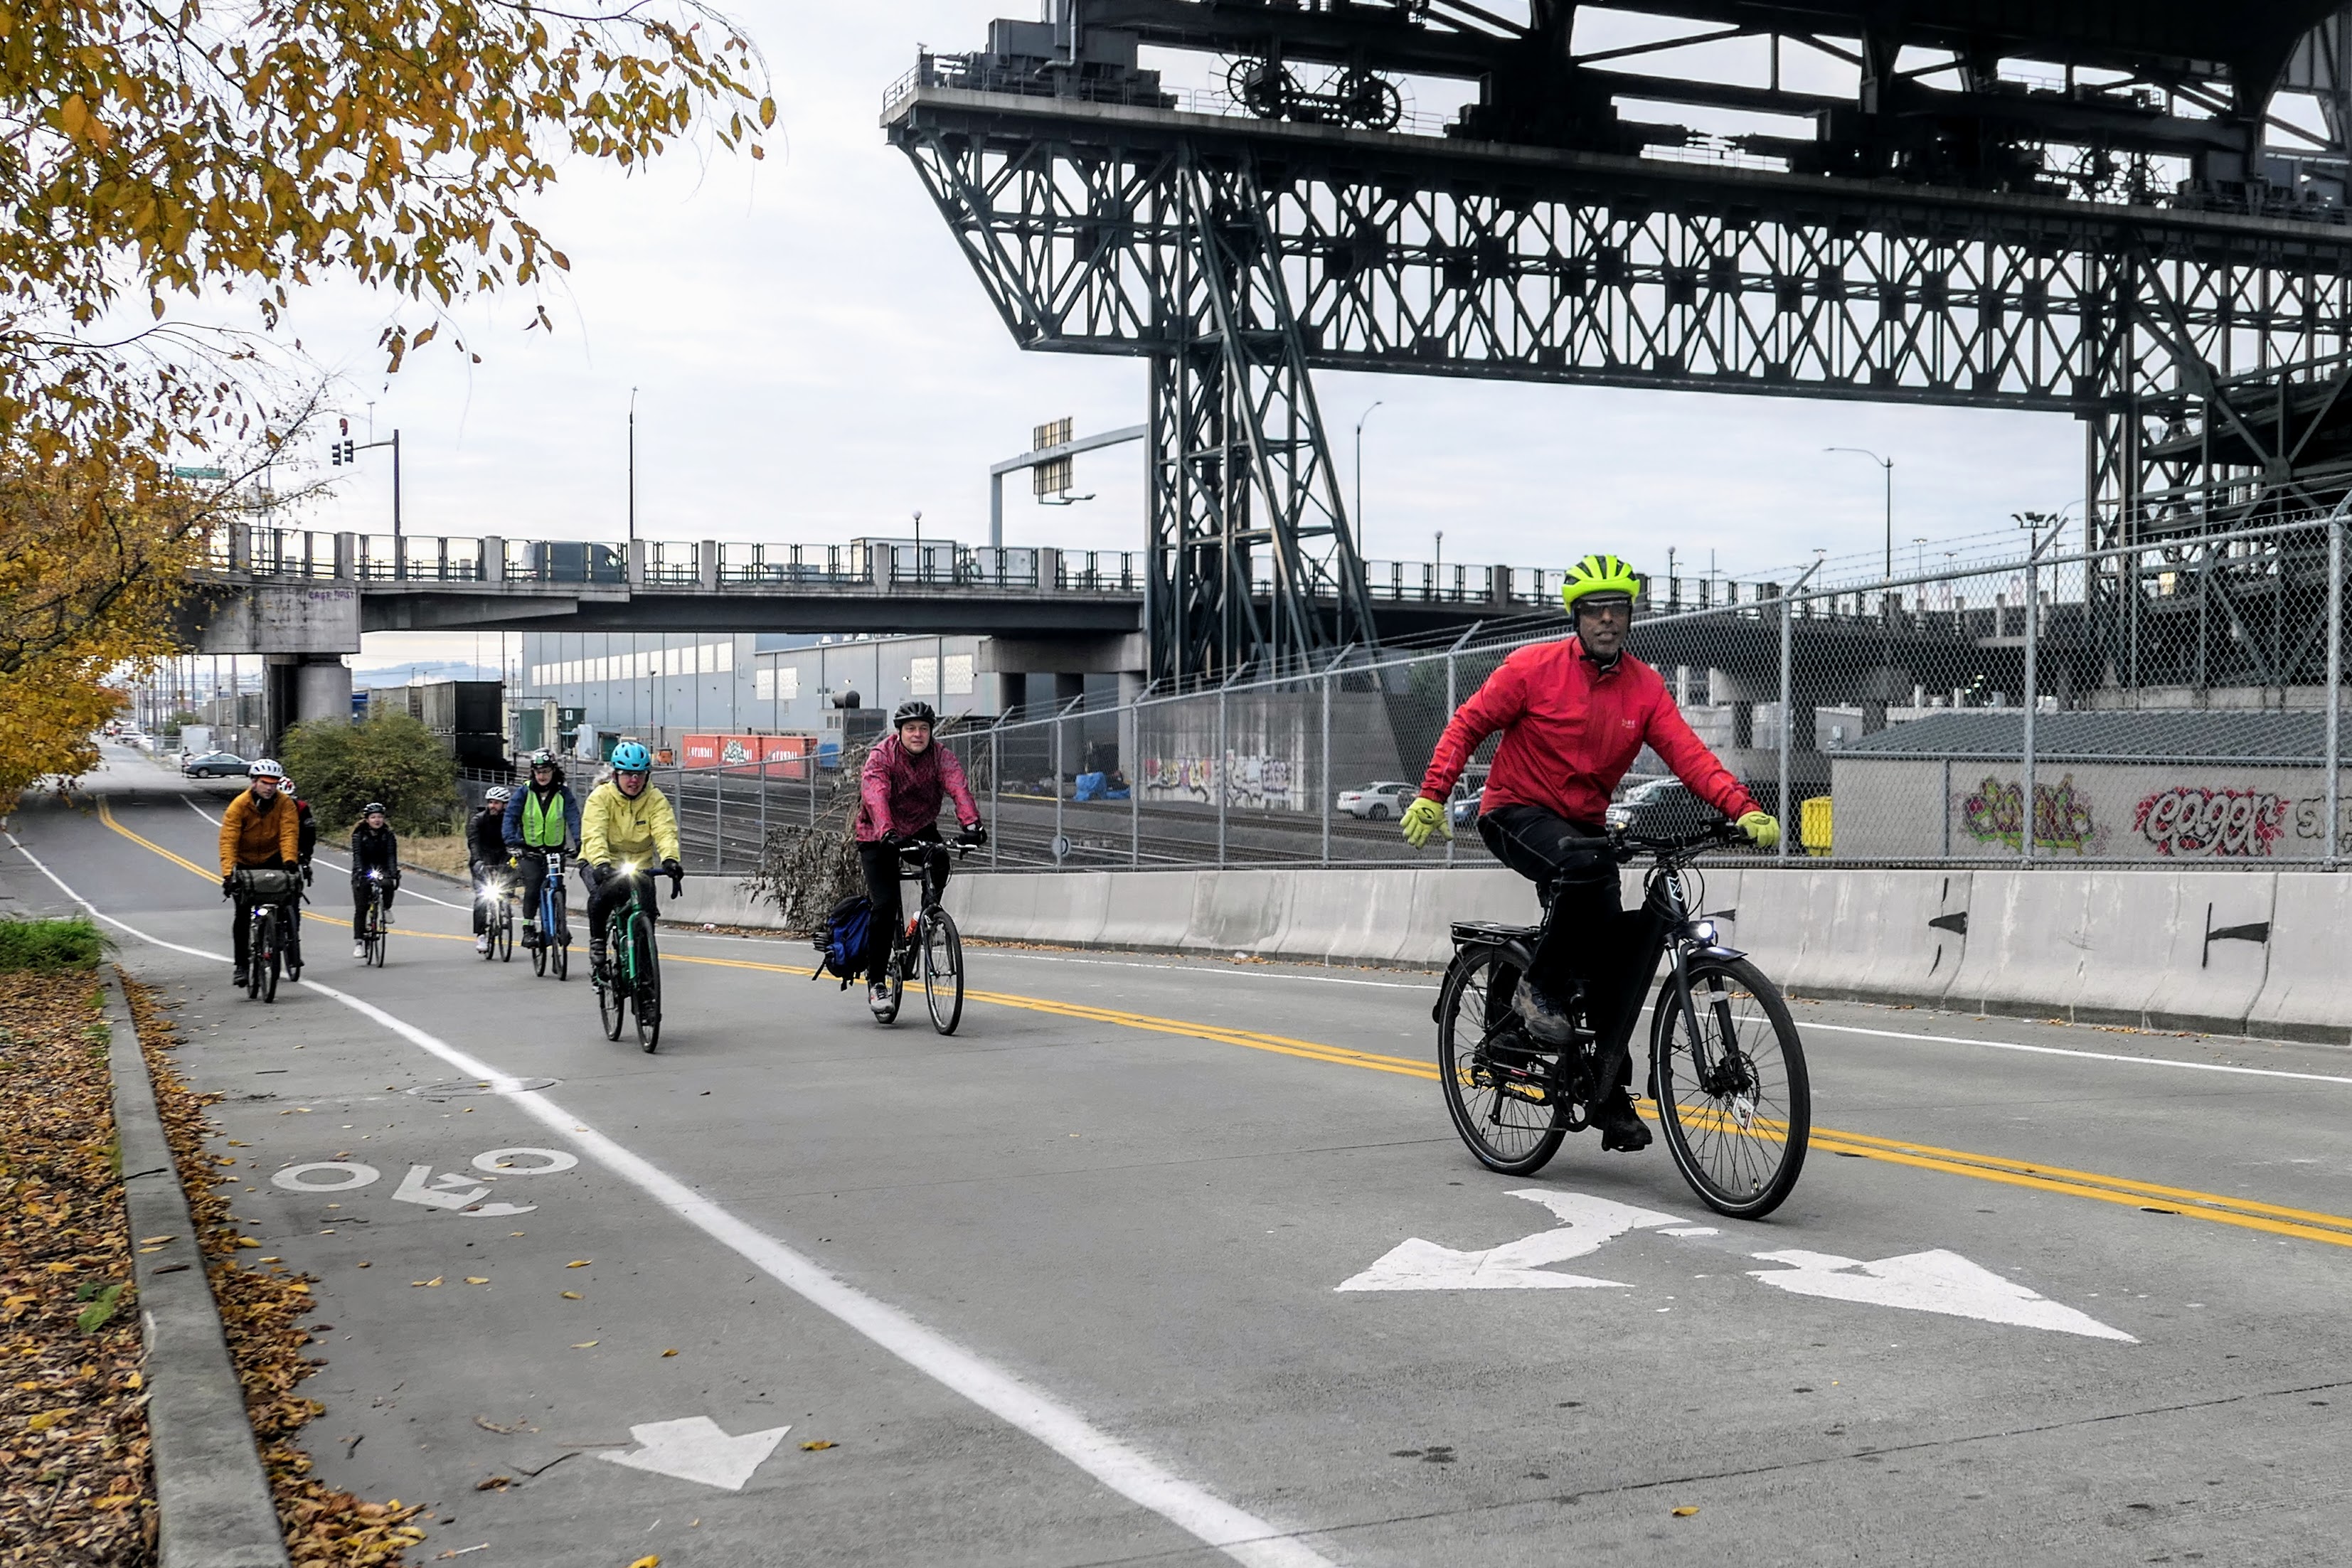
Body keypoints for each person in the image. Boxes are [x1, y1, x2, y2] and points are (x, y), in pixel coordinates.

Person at [1403, 553, 1781, 1153]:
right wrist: (1433, 794)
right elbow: (1466, 724)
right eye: (1595, 611)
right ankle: (1535, 990)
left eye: (1618, 610)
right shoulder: (1531, 668)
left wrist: (1742, 807)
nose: (1607, 620)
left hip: (1583, 824)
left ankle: (1605, 1095)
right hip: (1514, 810)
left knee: (1613, 958)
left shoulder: (1644, 686)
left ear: (1630, 617)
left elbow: (1690, 755)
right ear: (1576, 616)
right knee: (1582, 870)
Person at [854, 701, 984, 1018]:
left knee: (940, 861)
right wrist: (887, 832)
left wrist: (972, 824)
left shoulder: (941, 757)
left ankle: (925, 916)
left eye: (923, 728)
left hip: (920, 829)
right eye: (911, 728)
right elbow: (875, 794)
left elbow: (958, 787)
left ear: (931, 732)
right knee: (885, 904)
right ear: (899, 732)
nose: (917, 734)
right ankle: (876, 983)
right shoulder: (882, 756)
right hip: (878, 835)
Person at [578, 742, 682, 983]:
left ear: (647, 775)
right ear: (615, 775)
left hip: (639, 864)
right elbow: (594, 833)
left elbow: (665, 830)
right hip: (601, 861)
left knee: (645, 919)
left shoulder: (655, 799)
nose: (633, 780)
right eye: (627, 774)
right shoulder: (601, 798)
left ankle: (646, 989)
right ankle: (598, 948)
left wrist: (670, 859)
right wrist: (601, 863)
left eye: (640, 774)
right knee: (602, 897)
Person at [218, 759, 301, 988]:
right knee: (242, 915)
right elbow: (228, 840)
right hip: (245, 862)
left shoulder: (285, 804)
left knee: (283, 897)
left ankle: (280, 938)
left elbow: (289, 833)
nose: (270, 788)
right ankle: (241, 966)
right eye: (265, 783)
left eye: (274, 783)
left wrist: (290, 861)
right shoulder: (239, 805)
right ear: (254, 782)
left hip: (273, 857)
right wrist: (228, 875)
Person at [503, 750, 581, 948]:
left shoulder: (563, 793)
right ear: (533, 772)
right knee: (533, 886)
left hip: (556, 851)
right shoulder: (524, 792)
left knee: (558, 886)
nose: (542, 776)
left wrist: (580, 841)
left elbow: (573, 818)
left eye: (546, 771)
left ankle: (560, 923)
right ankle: (528, 929)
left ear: (553, 771)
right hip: (530, 851)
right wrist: (511, 842)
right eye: (538, 771)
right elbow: (510, 817)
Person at [349, 802, 401, 959]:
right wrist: (359, 872)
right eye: (373, 817)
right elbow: (357, 856)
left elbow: (392, 855)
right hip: (363, 869)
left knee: (387, 884)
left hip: (382, 867)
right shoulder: (359, 835)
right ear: (367, 820)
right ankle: (359, 943)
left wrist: (392, 872)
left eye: (380, 817)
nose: (377, 820)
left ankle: (386, 908)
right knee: (361, 907)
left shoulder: (388, 835)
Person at [468, 786, 516, 954]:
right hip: (483, 859)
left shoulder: (510, 820)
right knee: (482, 897)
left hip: (503, 857)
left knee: (509, 881)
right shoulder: (478, 820)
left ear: (504, 805)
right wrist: (478, 860)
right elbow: (473, 843)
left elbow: (515, 840)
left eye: (496, 803)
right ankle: (481, 934)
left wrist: (514, 856)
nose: (492, 806)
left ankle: (505, 906)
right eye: (490, 802)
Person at [282, 777, 317, 968]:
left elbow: (310, 836)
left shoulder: (302, 808)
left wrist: (305, 859)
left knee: (293, 904)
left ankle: (293, 947)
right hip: (268, 858)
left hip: (294, 858)